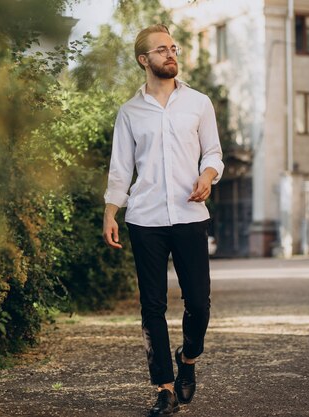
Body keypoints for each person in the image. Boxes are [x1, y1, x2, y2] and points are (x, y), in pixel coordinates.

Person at [102, 24, 224, 417]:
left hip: (190, 215)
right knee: (152, 307)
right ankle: (165, 388)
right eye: (161, 50)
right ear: (144, 60)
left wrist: (207, 176)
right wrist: (111, 211)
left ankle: (187, 358)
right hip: (146, 218)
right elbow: (121, 168)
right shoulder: (130, 112)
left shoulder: (199, 103)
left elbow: (213, 154)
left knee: (199, 305)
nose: (171, 54)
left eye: (173, 48)